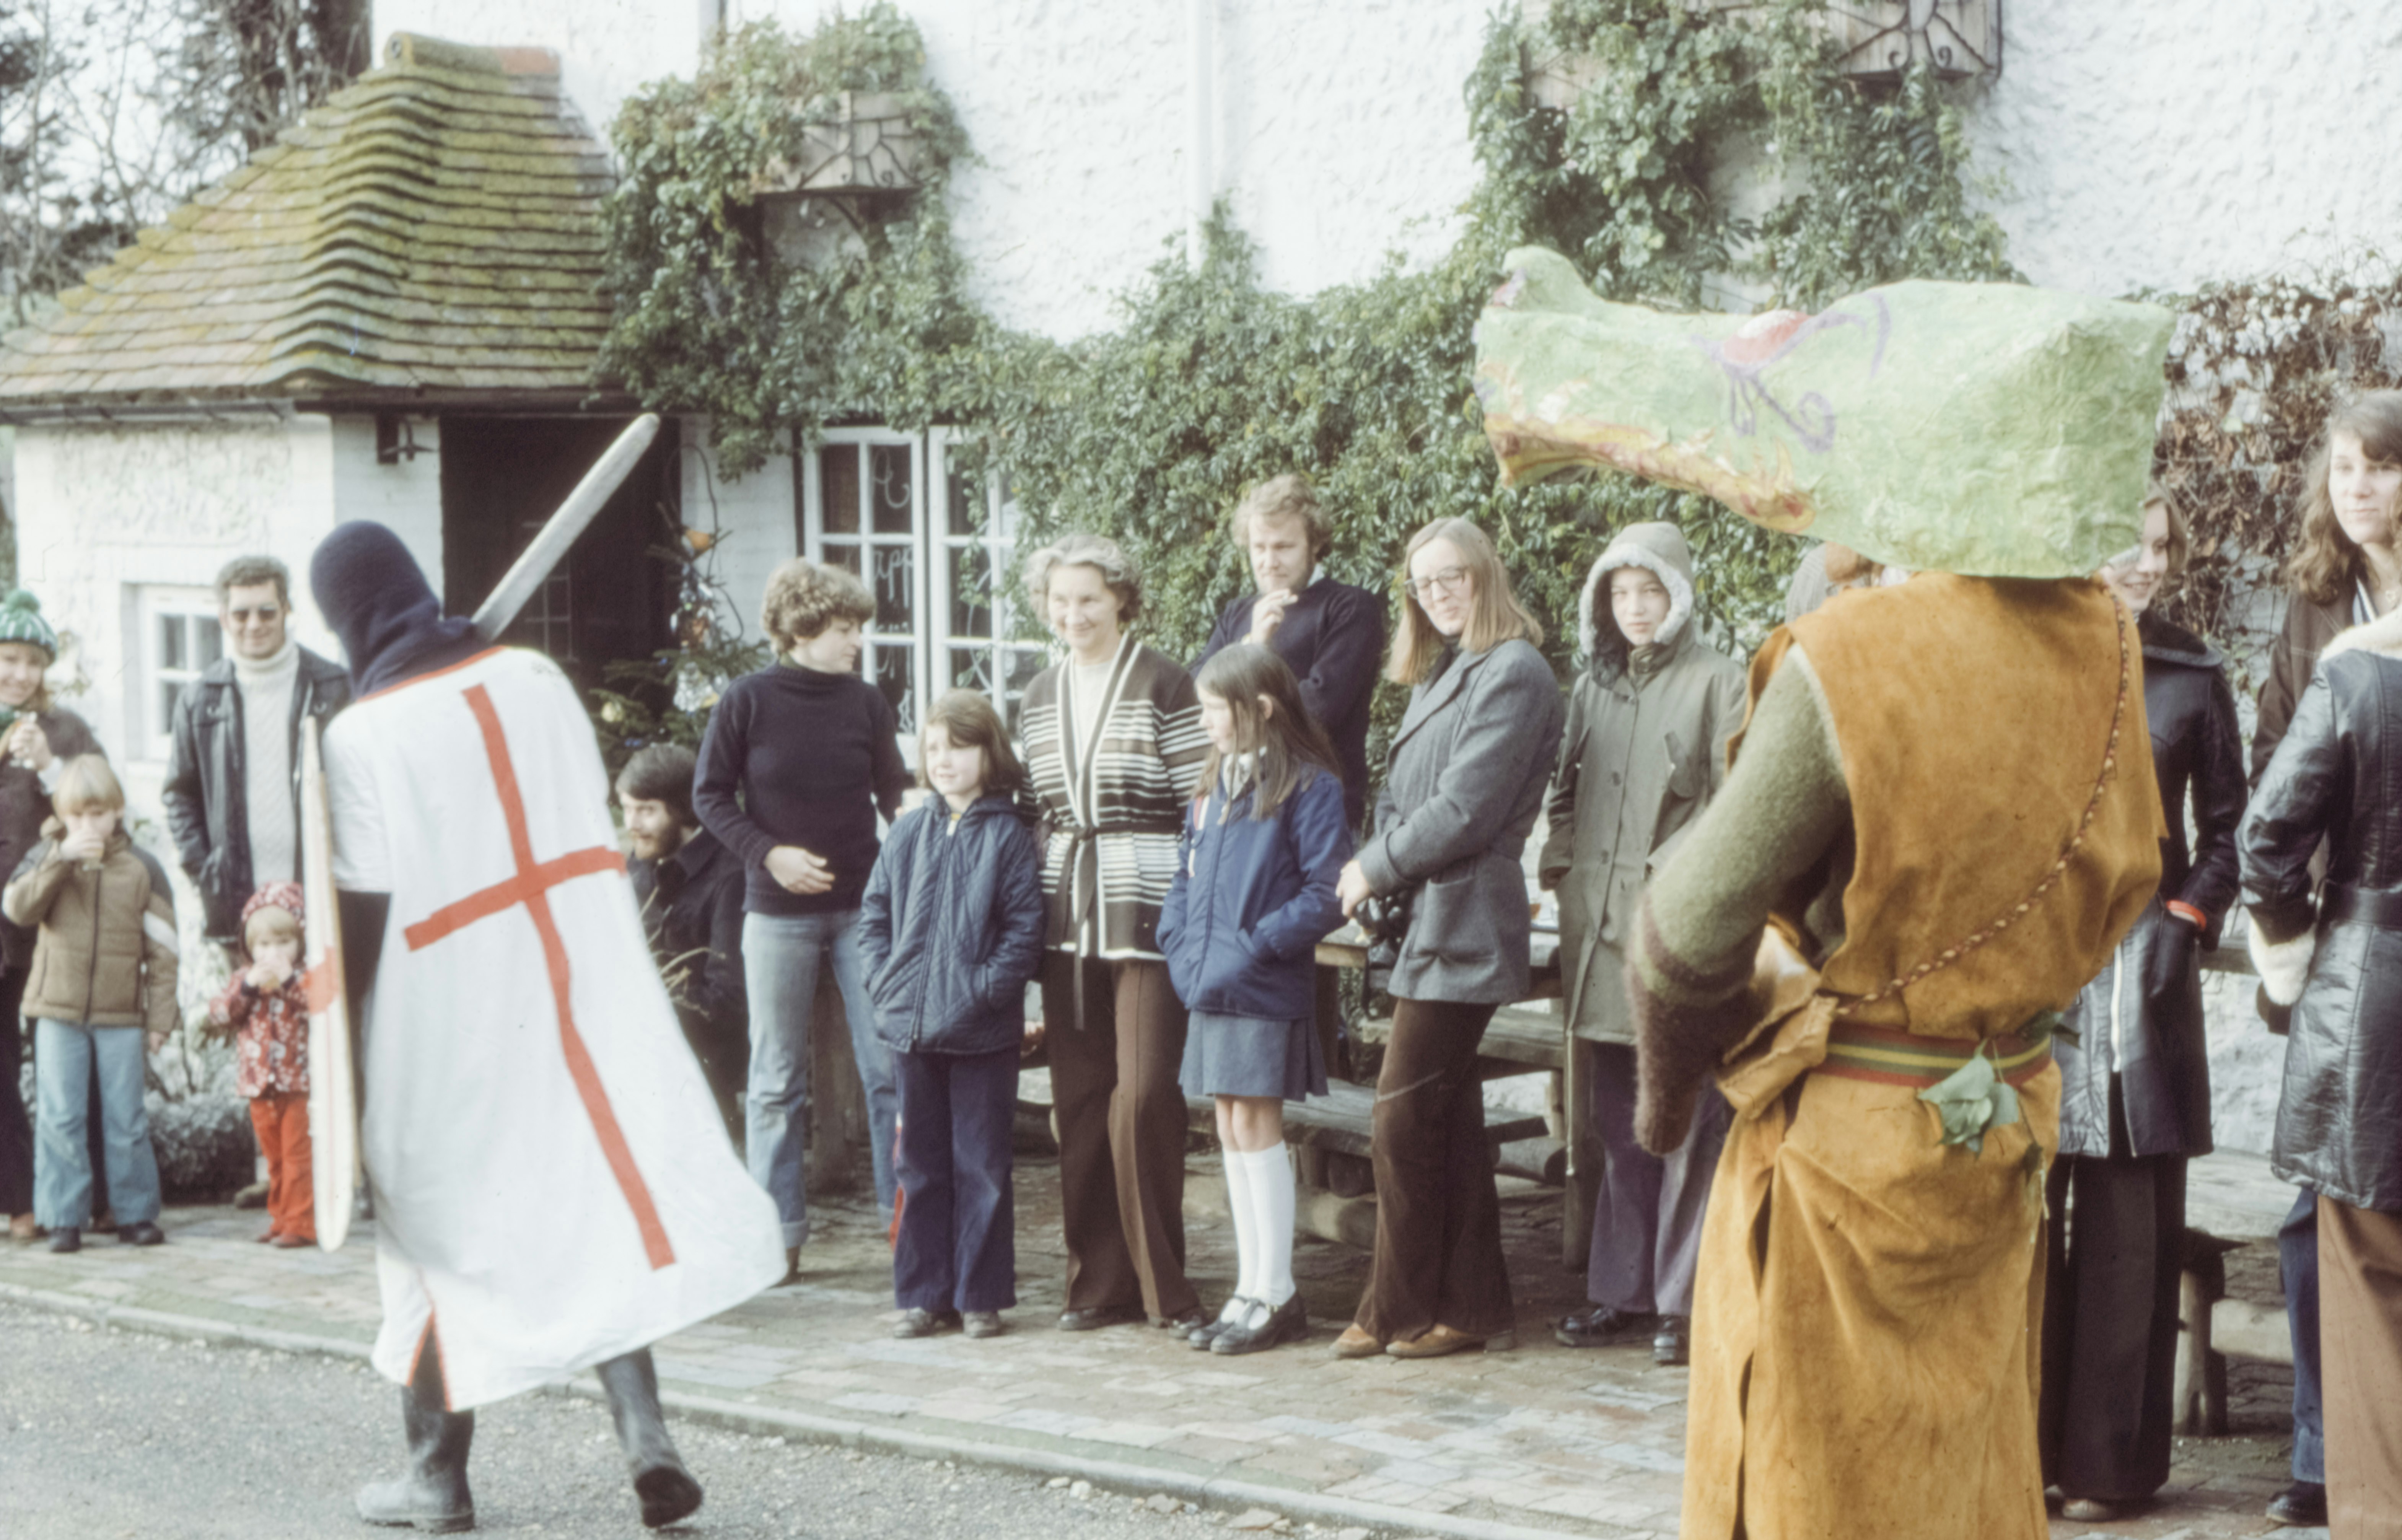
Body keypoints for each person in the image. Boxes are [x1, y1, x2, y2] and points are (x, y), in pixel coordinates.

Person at [1622, 562, 2162, 1538]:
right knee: (1963, 1473)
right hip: (2002, 1114)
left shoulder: (1851, 653)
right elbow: (2131, 876)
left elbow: (1683, 937)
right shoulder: (2106, 644)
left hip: (1849, 1147)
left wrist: (1665, 1098)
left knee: (1816, 1474)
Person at [312, 521, 782, 1533]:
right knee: (588, 1203)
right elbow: (580, 813)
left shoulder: (360, 735)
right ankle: (645, 1439)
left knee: (432, 1230)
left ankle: (436, 1477)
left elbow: (360, 912)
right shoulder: (529, 676)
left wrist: (347, 1068)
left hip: (441, 1015)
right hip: (565, 990)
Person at [2040, 490, 2246, 1522]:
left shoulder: (2191, 673)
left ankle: (2104, 1467)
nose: (2147, 563)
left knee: (2125, 1232)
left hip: (2139, 974)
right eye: (2129, 543)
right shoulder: (2028, 650)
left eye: (2161, 546)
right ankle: (2019, 1448)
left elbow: (2231, 828)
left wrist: (2185, 915)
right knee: (2024, 1221)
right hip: (2035, 964)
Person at [1332, 517, 1565, 1360]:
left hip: (1467, 918)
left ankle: (1392, 1308)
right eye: (1421, 585)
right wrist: (1375, 862)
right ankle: (1471, 1307)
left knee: (1399, 1119)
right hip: (1424, 918)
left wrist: (1370, 869)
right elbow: (1400, 796)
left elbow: (1465, 809)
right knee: (1447, 1118)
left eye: (1449, 578)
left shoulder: (1514, 671)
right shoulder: (1447, 673)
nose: (1435, 596)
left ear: (1483, 575)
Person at [2245, 391, 2402, 1531]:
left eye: (2382, 468)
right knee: (2316, 1211)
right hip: (2329, 951)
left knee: (2365, 1210)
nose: (2358, 488)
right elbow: (2271, 775)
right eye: (2344, 468)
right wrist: (2285, 950)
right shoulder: (2309, 609)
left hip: (2366, 947)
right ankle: (2318, 1447)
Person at [1540, 522, 1746, 1368]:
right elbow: (1561, 797)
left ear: (1679, 596)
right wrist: (1561, 872)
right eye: (1619, 594)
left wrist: (1674, 883)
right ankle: (1617, 1291)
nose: (1633, 609)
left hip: (1674, 939)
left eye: (1649, 592)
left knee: (1689, 1120)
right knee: (1612, 1121)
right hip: (1597, 939)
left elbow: (1736, 813)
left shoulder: (1720, 682)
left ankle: (1683, 1300)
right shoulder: (1591, 690)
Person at [695, 558, 909, 1280]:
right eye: (845, 629)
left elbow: (892, 795)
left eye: (857, 628)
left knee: (887, 1069)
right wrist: (770, 855)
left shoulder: (867, 704)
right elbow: (710, 796)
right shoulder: (747, 701)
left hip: (861, 912)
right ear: (801, 628)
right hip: (778, 913)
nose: (856, 642)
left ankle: (904, 1222)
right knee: (777, 1078)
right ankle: (776, 1234)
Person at [1019, 531, 1210, 1333]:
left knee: (1141, 1095)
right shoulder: (1035, 694)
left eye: (1088, 599)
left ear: (1121, 599)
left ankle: (1162, 1282)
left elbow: (1203, 799)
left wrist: (1200, 909)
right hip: (1067, 912)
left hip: (1150, 905)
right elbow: (1032, 810)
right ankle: (1098, 1283)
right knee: (1081, 1098)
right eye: (1060, 601)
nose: (1074, 615)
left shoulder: (1166, 682)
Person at [1161, 645, 1352, 1357]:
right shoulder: (1210, 788)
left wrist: (1253, 946)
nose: (1207, 721)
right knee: (1229, 1129)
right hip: (1210, 982)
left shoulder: (1307, 787)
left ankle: (1275, 1292)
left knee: (1258, 1129)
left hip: (1261, 982)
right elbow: (1183, 882)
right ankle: (1248, 1288)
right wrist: (1179, 945)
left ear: (1261, 709)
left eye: (1217, 708)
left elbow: (1324, 891)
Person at [858, 690, 1046, 1342]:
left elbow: (1023, 931)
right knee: (920, 1165)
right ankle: (922, 1293)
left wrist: (985, 991)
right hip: (909, 1026)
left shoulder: (1008, 837)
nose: (942, 759)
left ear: (988, 751)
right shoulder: (909, 829)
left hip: (979, 1030)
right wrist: (884, 981)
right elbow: (874, 915)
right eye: (932, 747)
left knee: (982, 1165)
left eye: (957, 746)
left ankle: (979, 1295)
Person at [4, 754, 177, 1253]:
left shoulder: (143, 868)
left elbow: (164, 949)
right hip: (56, 1012)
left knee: (126, 1116)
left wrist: (161, 1016)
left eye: (98, 813)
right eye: (77, 814)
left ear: (118, 810)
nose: (88, 824)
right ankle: (63, 1217)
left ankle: (135, 1213)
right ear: (62, 812)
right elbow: (17, 908)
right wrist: (61, 860)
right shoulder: (48, 854)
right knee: (60, 1116)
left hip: (121, 1014)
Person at [163, 555, 352, 953]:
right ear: (223, 617)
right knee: (246, 1010)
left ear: (287, 609)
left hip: (322, 894)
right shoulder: (200, 700)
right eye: (241, 614)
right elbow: (181, 794)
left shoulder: (333, 689)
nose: (254, 625)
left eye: (267, 612)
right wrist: (205, 870)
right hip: (238, 906)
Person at [1191, 475, 1384, 829]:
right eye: (1259, 548)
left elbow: (1318, 710)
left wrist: (1243, 678)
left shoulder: (1350, 608)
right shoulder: (1238, 614)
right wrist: (1252, 645)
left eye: (1283, 547)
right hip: (1236, 811)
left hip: (1316, 814)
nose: (1269, 561)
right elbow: (1195, 694)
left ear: (1314, 545)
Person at [0, 589, 101, 1244]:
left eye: (33, 661)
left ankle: (97, 1197)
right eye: (9, 658)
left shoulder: (66, 730)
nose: (20, 674)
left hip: (53, 921)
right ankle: (20, 1201)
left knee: (68, 1056)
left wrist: (49, 764)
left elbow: (100, 800)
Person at [619, 743, 748, 1135]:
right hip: (642, 1046)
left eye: (646, 810)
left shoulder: (729, 874)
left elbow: (728, 998)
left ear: (682, 809)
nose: (632, 823)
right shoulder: (637, 865)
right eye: (626, 808)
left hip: (708, 1057)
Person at [205, 883, 317, 1249]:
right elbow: (221, 1013)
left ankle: (301, 1223)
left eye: (283, 943)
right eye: (264, 945)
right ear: (250, 948)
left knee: (297, 1154)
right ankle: (281, 1218)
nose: (273, 953)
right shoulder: (244, 979)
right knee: (274, 1158)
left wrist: (287, 980)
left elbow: (318, 1005)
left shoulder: (304, 977)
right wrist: (249, 988)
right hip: (258, 1083)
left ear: (300, 941)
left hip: (297, 1081)